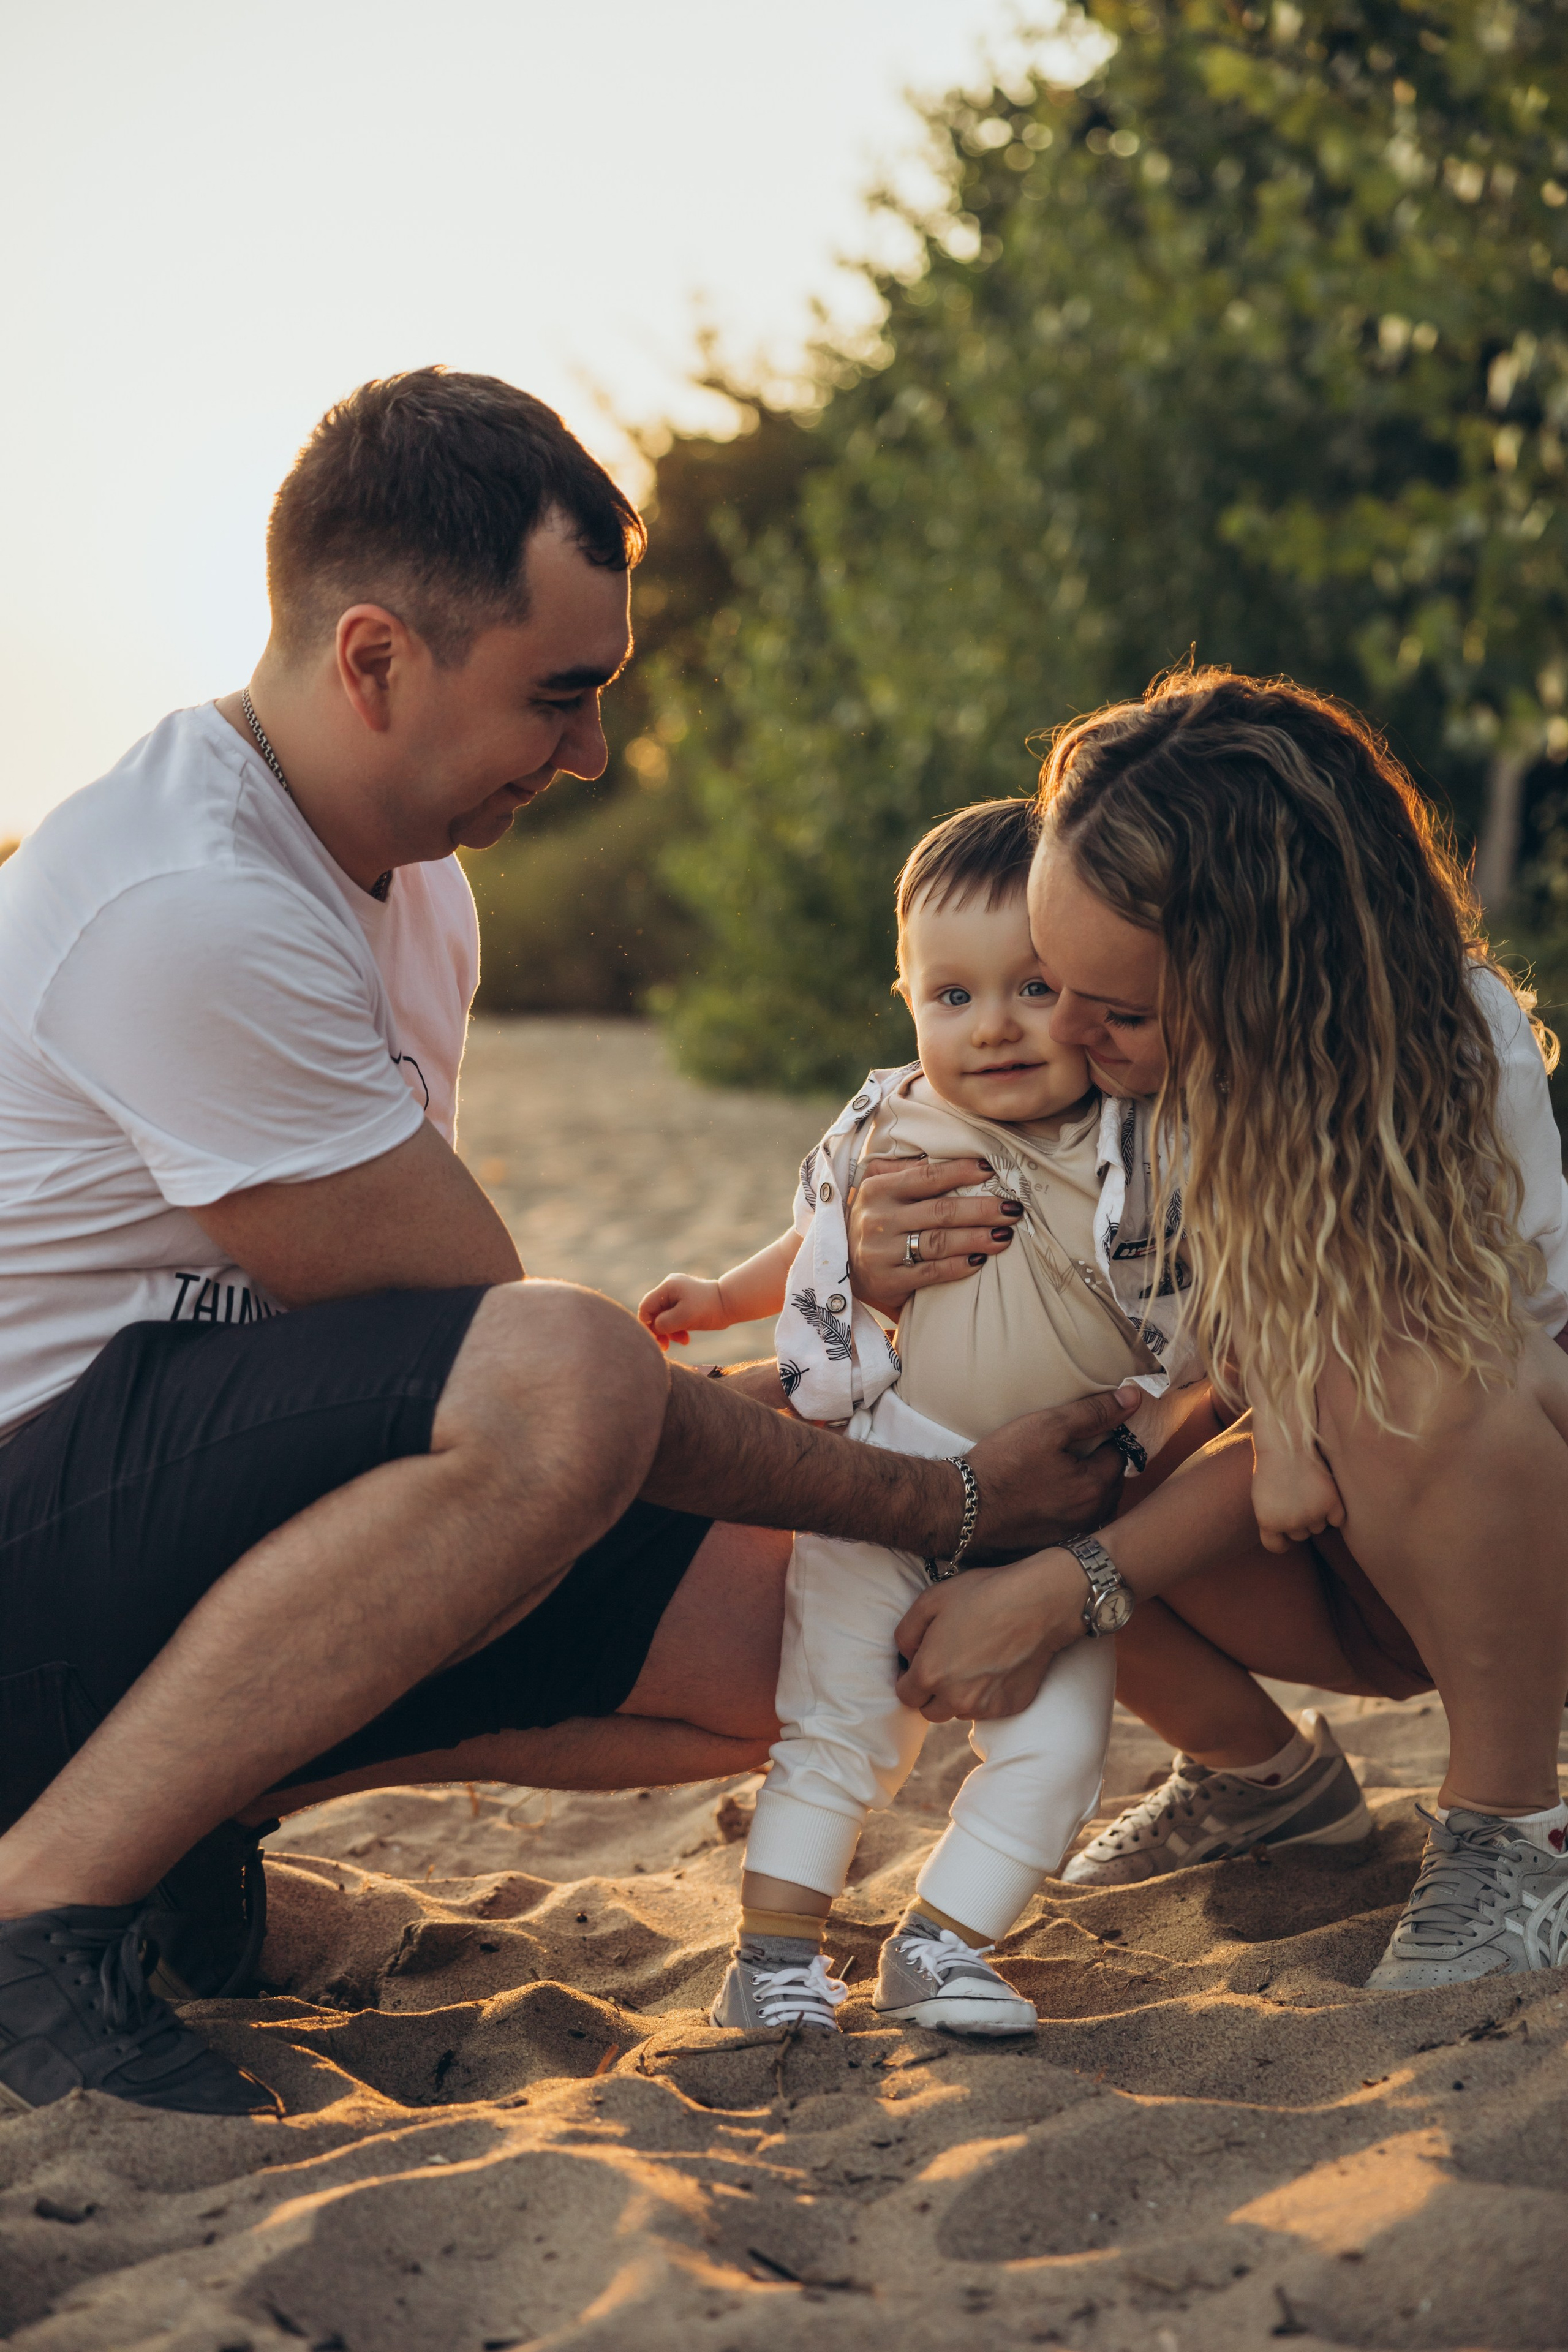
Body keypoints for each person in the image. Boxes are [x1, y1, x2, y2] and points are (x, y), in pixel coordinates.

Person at [0, 371, 1141, 2121]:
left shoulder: (417, 882)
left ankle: (177, 1837)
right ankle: (44, 1906)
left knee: (797, 1639)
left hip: (151, 1534)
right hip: (28, 1544)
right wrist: (948, 1494)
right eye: (562, 696)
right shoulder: (191, 902)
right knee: (594, 1394)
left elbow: (442, 1401)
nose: (595, 754)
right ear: (375, 659)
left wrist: (840, 1391)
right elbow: (538, 1381)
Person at [848, 668, 1568, 1989]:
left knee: (1402, 1364)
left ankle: (1514, 1830)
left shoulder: (1447, 1054)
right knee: (1020, 1422)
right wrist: (872, 1247)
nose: (1064, 1032)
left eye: (1116, 1010)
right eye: (1051, 980)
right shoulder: (1114, 1091)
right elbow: (1171, 1383)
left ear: (1261, 992)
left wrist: (1063, 1591)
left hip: (1503, 1538)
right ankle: (1261, 1780)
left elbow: (1364, 1401)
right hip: (1314, 1547)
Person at [641, 801, 1160, 2038]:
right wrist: (723, 1294)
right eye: (949, 997)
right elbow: (814, 1239)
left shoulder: (1138, 1137)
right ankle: (770, 1961)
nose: (989, 1028)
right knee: (835, 1735)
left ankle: (939, 1943)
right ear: (906, 999)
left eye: (1033, 988)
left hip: (1059, 1512)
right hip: (887, 1475)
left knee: (1060, 1752)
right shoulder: (890, 1117)